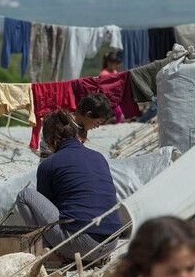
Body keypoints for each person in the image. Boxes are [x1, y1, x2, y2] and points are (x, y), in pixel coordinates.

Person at [16, 109, 120, 264]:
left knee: (25, 195)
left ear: (50, 141)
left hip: (82, 245)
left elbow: (46, 214)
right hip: (112, 241)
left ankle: (47, 252)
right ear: (75, 134)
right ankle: (89, 258)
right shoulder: (99, 157)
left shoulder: (49, 165)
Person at [100, 52, 123, 124]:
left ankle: (117, 124)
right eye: (116, 64)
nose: (118, 66)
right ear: (109, 63)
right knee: (107, 113)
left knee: (119, 112)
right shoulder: (104, 73)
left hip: (115, 96)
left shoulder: (114, 71)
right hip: (107, 97)